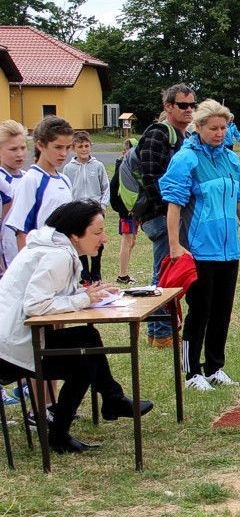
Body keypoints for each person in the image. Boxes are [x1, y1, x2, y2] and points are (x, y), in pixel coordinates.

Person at [0, 199, 153, 453]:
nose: (104, 239)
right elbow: (35, 305)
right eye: (97, 232)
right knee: (85, 361)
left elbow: (51, 294)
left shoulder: (53, 247)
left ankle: (112, 399)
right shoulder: (58, 255)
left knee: (88, 335)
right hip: (12, 350)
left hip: (17, 339)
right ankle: (60, 435)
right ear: (74, 235)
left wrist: (89, 293)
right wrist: (83, 299)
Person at [159, 99, 240, 392]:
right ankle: (191, 371)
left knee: (222, 311)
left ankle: (215, 367)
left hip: (229, 249)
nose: (220, 133)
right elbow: (174, 205)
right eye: (214, 128)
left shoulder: (231, 159)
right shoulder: (186, 159)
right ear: (198, 127)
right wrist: (174, 246)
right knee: (200, 311)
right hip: (199, 250)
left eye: (224, 128)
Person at [132, 83, 194, 349]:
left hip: (170, 214)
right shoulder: (158, 134)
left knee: (167, 271)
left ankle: (158, 331)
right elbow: (150, 177)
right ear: (168, 106)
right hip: (159, 215)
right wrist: (171, 207)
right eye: (183, 105)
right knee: (164, 274)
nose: (189, 109)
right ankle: (161, 334)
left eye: (192, 105)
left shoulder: (183, 136)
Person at [6, 116, 75, 256]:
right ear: (40, 145)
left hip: (62, 259)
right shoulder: (32, 180)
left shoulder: (65, 180)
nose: (64, 153)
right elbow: (21, 232)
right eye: (58, 147)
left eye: (68, 147)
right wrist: (28, 266)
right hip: (40, 261)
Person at [63, 130, 110, 283]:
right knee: (80, 240)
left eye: (86, 146)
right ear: (73, 148)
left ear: (90, 146)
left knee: (97, 241)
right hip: (77, 211)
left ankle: (96, 273)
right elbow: (67, 189)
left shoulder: (98, 166)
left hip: (95, 210)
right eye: (80, 147)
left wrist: (102, 206)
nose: (84, 149)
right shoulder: (69, 168)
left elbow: (105, 187)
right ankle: (84, 274)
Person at [0, 119, 28, 272]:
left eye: (23, 148)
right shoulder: (2, 182)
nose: (20, 154)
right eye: (13, 149)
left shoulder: (29, 178)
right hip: (7, 261)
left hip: (29, 256)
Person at [110, 139, 139, 285]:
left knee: (132, 241)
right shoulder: (122, 165)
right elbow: (114, 186)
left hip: (134, 208)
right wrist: (120, 207)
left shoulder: (133, 164)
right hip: (125, 209)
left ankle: (124, 271)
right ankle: (122, 275)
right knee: (127, 240)